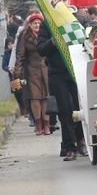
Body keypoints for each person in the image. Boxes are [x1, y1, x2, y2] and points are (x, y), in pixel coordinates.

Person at [38, 18, 85, 161]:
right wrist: (52, 42)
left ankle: (81, 140)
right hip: (57, 73)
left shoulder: (76, 19)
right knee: (64, 110)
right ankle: (69, 147)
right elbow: (41, 49)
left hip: (77, 70)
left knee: (80, 108)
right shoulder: (47, 24)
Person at [16, 13, 51, 136]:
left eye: (39, 23)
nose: (37, 25)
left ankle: (47, 124)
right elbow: (20, 55)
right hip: (31, 70)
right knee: (35, 98)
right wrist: (18, 72)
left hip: (46, 68)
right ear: (29, 25)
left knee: (46, 97)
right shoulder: (25, 36)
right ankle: (38, 124)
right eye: (34, 23)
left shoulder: (46, 34)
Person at [2, 36, 25, 117]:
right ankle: (22, 106)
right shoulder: (6, 54)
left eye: (12, 43)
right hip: (13, 77)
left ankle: (26, 108)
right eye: (9, 44)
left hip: (22, 75)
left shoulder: (18, 52)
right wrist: (9, 69)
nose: (11, 45)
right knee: (18, 93)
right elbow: (4, 65)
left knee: (24, 92)